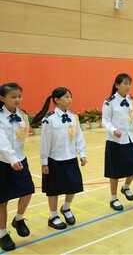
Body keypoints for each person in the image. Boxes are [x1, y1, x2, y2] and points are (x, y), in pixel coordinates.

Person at [34, 87, 87, 230]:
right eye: (67, 97)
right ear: (56, 100)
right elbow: (45, 142)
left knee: (74, 185)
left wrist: (82, 153)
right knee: (54, 190)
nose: (70, 99)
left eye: (71, 96)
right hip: (54, 160)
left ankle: (66, 208)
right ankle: (53, 216)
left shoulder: (73, 116)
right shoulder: (49, 119)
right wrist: (44, 162)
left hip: (70, 157)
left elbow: (78, 136)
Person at [102, 73, 133, 211]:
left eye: (129, 83)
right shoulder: (109, 102)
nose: (128, 86)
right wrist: (113, 130)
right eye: (125, 83)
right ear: (117, 85)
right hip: (115, 141)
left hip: (129, 138)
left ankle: (125, 187)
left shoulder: (130, 100)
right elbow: (105, 121)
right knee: (114, 172)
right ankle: (113, 198)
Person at [0, 83, 34, 251]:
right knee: (2, 201)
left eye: (19, 96)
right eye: (13, 97)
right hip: (3, 162)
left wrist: (17, 158)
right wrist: (12, 159)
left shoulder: (22, 115)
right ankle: (3, 234)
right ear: (2, 98)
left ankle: (19, 219)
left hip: (20, 159)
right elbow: (2, 142)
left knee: (28, 190)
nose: (17, 99)